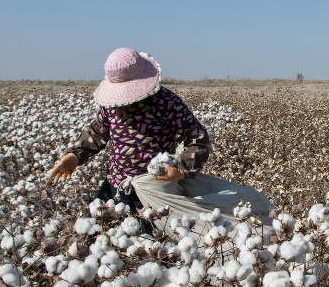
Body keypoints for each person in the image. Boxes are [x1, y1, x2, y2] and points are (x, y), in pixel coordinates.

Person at [48, 48, 274, 240]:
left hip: (154, 189)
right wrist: (75, 156)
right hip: (115, 186)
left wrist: (181, 168)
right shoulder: (109, 106)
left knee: (153, 243)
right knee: (95, 239)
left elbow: (197, 137)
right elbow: (97, 132)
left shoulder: (166, 102)